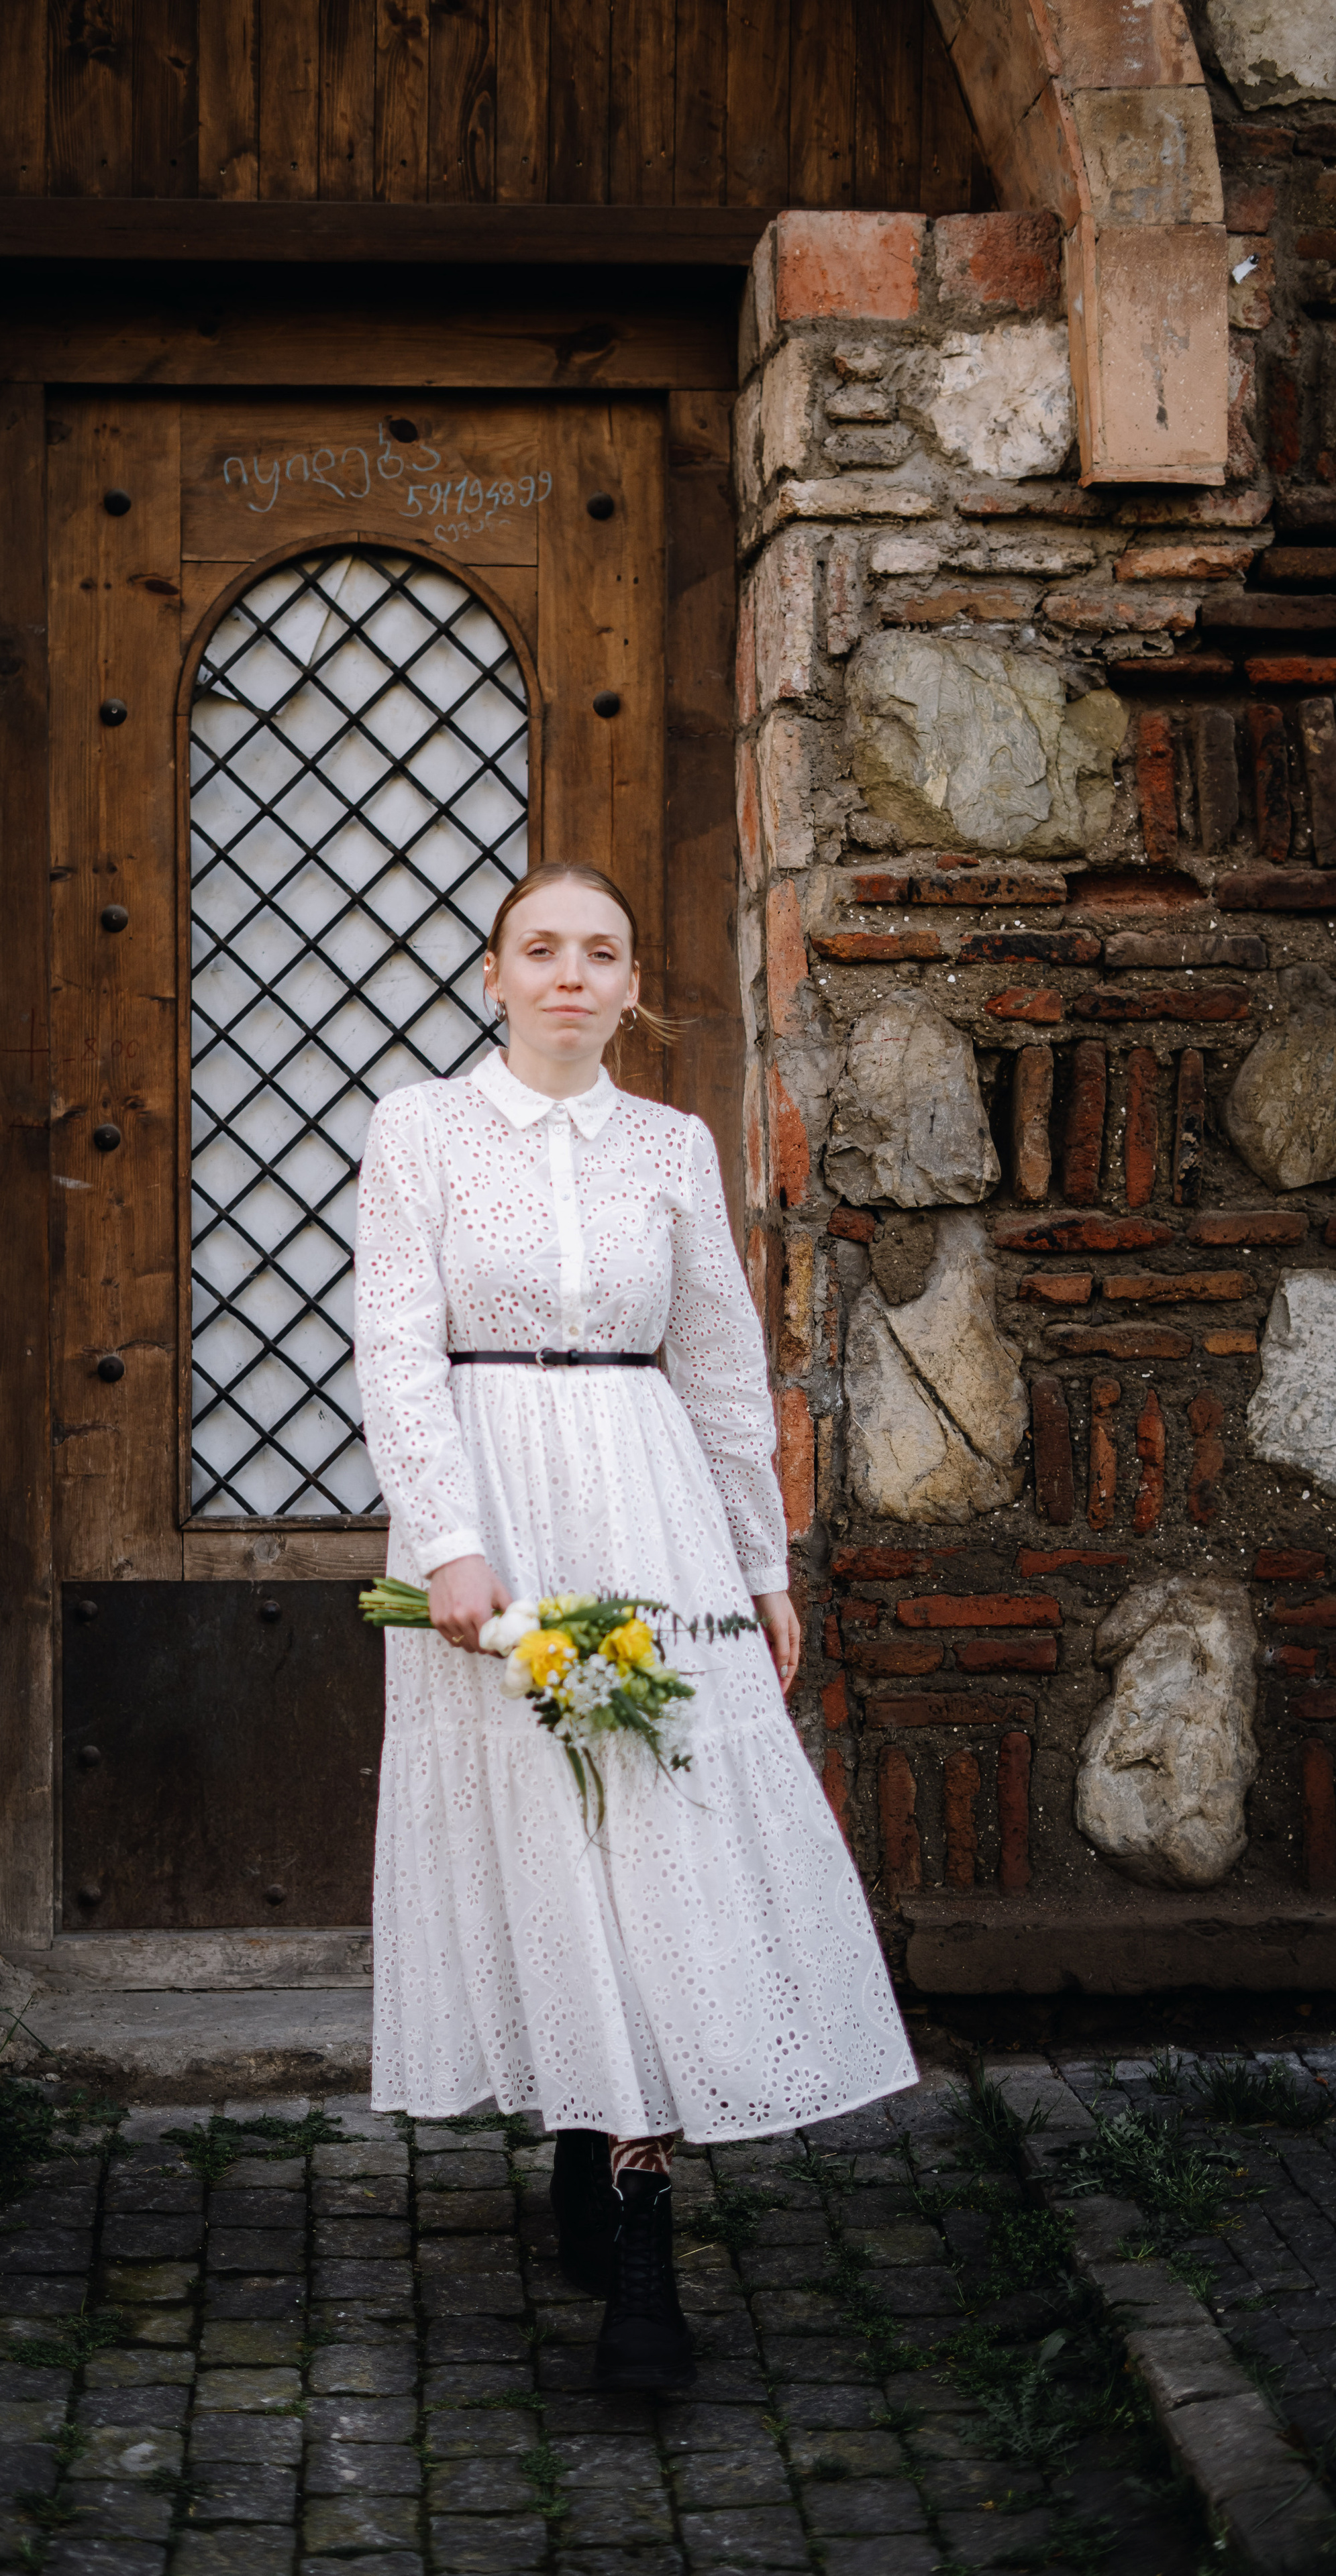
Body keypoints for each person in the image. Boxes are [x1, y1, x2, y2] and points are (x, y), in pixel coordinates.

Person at [354, 862, 916, 2390]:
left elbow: (725, 1376)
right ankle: (583, 2120)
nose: (569, 977)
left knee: (657, 1831)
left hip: (646, 1506)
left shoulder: (670, 1147)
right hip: (491, 1525)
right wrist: (449, 1544)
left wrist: (763, 1566)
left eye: (600, 953)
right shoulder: (415, 1133)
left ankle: (641, 2228)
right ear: (492, 974)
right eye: (539, 949)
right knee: (541, 1832)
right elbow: (396, 1350)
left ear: (626, 987)